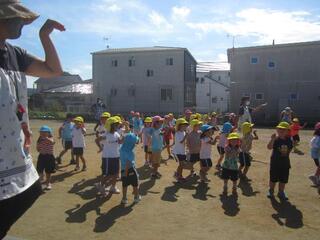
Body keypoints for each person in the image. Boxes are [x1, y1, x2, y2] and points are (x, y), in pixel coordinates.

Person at [0, 1, 65, 238]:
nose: (22, 24)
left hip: (12, 148)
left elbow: (53, 70)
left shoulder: (14, 53)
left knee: (29, 191)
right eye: (18, 18)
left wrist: (44, 36)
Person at [97, 117, 125, 196]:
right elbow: (97, 140)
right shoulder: (106, 135)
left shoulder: (116, 133)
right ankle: (101, 185)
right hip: (107, 158)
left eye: (117, 124)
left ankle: (113, 187)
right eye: (115, 124)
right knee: (108, 175)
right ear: (110, 125)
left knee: (116, 174)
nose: (117, 126)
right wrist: (101, 147)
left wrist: (124, 136)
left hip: (116, 156)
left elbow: (120, 141)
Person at [267, 122, 293, 201]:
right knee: (273, 178)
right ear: (277, 130)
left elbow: (290, 149)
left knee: (283, 179)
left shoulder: (289, 140)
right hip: (275, 163)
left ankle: (281, 192)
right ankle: (271, 190)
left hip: (285, 163)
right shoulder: (276, 139)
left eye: (283, 129)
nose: (281, 130)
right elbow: (269, 147)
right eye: (279, 129)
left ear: (287, 131)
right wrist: (272, 140)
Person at [120, 132, 141, 204]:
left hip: (123, 170)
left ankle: (124, 198)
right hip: (130, 170)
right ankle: (136, 197)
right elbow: (128, 164)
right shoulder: (129, 152)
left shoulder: (121, 149)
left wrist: (123, 174)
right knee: (135, 184)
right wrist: (125, 174)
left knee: (124, 185)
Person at [36, 125, 55, 191]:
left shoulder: (51, 138)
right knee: (39, 170)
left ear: (49, 133)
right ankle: (42, 176)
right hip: (42, 156)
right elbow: (38, 149)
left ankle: (48, 183)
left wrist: (46, 138)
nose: (43, 133)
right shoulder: (39, 140)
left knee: (48, 172)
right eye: (41, 132)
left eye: (45, 132)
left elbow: (52, 142)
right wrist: (38, 147)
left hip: (49, 157)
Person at [172, 118, 189, 182]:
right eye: (184, 125)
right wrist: (186, 136)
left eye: (185, 125)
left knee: (182, 165)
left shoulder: (184, 132)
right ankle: (178, 176)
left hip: (182, 151)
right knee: (181, 164)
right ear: (179, 126)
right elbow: (181, 142)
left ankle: (179, 175)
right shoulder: (177, 133)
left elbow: (184, 142)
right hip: (177, 152)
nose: (185, 126)